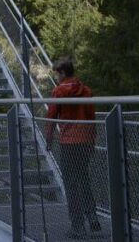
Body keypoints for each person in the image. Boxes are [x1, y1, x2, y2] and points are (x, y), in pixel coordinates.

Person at [45, 58, 100, 238]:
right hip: (85, 140)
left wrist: (48, 139)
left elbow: (51, 116)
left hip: (68, 142)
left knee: (70, 184)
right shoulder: (86, 91)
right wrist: (92, 140)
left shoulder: (58, 91)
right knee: (84, 178)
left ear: (62, 73)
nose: (57, 78)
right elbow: (92, 117)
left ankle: (77, 226)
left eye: (57, 74)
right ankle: (92, 217)